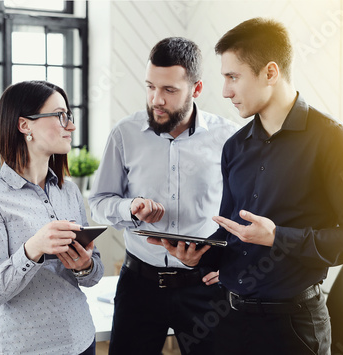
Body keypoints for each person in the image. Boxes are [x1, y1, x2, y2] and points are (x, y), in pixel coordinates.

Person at [155, 18, 343, 355]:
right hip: (229, 321)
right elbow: (233, 238)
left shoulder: (334, 140)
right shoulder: (234, 146)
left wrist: (279, 236)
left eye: (233, 77)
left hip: (294, 329)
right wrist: (197, 256)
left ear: (270, 73)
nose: (225, 91)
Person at [88, 37, 238, 355]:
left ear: (196, 89)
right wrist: (130, 207)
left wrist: (224, 263)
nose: (156, 99)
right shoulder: (123, 134)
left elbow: (242, 213)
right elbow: (98, 202)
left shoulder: (230, 139)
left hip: (205, 287)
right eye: (150, 87)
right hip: (138, 285)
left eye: (169, 90)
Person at [0, 80, 104, 355]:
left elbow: (93, 274)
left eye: (70, 116)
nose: (71, 126)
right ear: (25, 125)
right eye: (60, 116)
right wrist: (32, 249)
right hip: (27, 348)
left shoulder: (69, 190)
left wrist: (85, 266)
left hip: (82, 339)